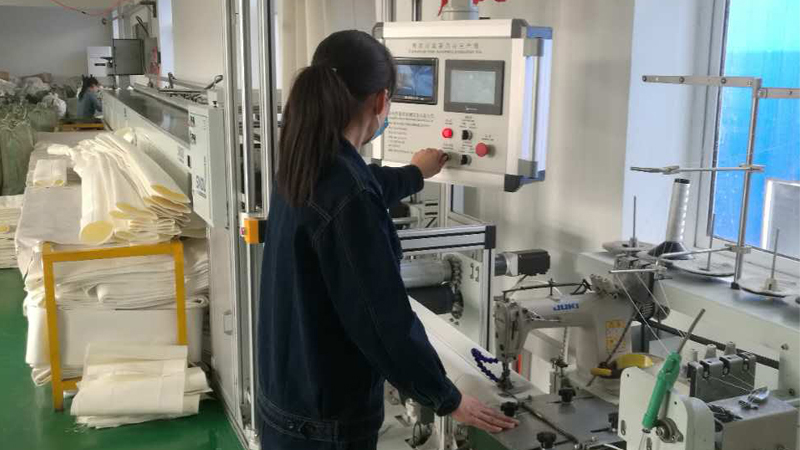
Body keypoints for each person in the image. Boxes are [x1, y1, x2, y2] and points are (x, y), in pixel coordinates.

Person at [257, 30, 518, 450]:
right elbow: (382, 321)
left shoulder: (303, 161)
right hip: (328, 423)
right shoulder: (348, 192)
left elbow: (364, 183)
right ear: (381, 101)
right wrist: (447, 398)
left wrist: (415, 173)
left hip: (285, 399)